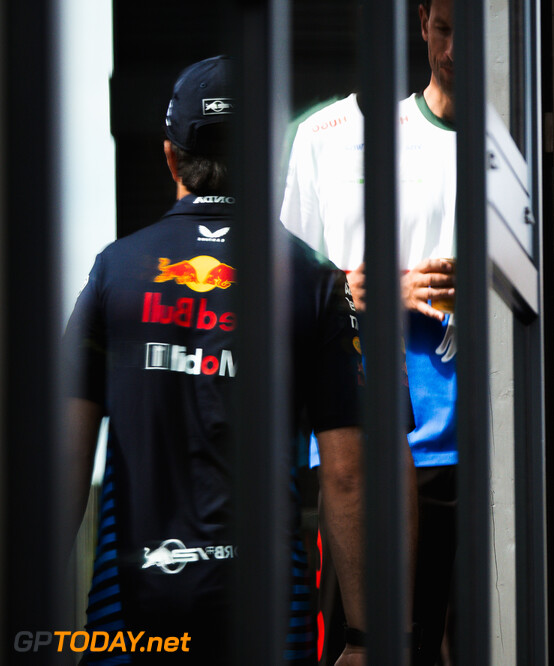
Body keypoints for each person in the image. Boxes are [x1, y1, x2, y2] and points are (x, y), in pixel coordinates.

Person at [62, 56, 396, 665]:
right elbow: (349, 474)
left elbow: (63, 461)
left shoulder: (114, 272)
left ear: (171, 156)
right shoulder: (313, 281)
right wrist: (364, 636)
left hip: (131, 615)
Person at [280, 0, 457, 662]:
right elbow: (290, 293)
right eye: (444, 28)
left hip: (467, 440)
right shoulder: (321, 135)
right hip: (359, 445)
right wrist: (353, 290)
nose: (454, 46)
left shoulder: (489, 136)